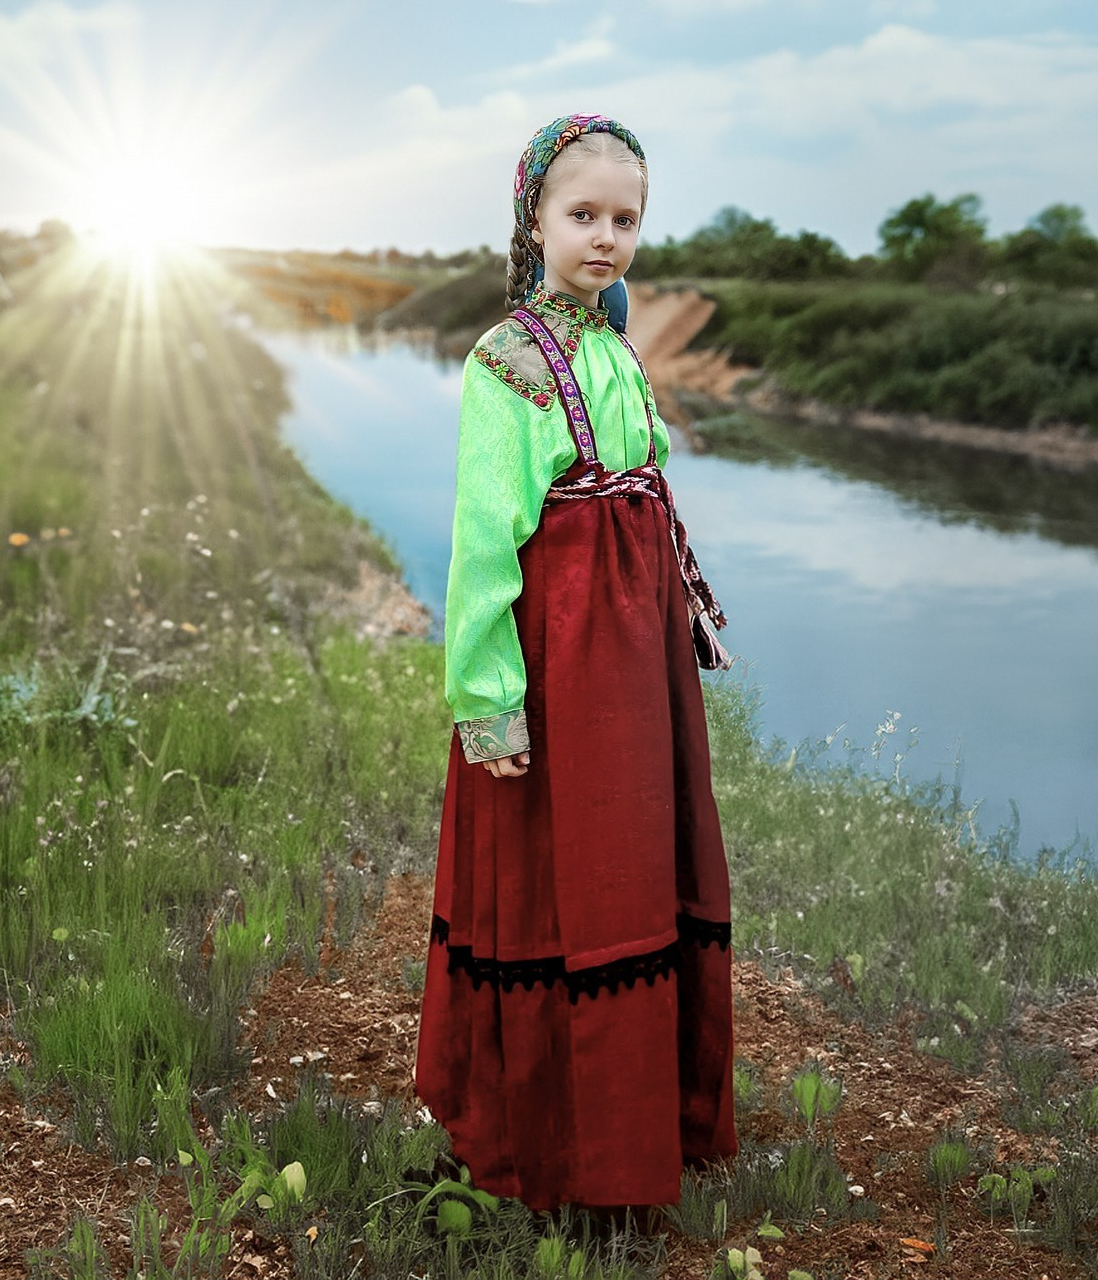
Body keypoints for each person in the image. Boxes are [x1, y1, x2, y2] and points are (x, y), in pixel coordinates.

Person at [415, 112, 737, 1213]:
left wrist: (667, 608)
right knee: (559, 868)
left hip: (631, 655)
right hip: (558, 660)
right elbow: (481, 542)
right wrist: (490, 698)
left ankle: (643, 1126)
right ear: (534, 219)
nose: (604, 237)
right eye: (581, 213)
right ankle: (543, 1143)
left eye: (624, 217)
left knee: (634, 858)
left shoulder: (609, 343)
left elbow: (637, 489)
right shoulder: (506, 362)